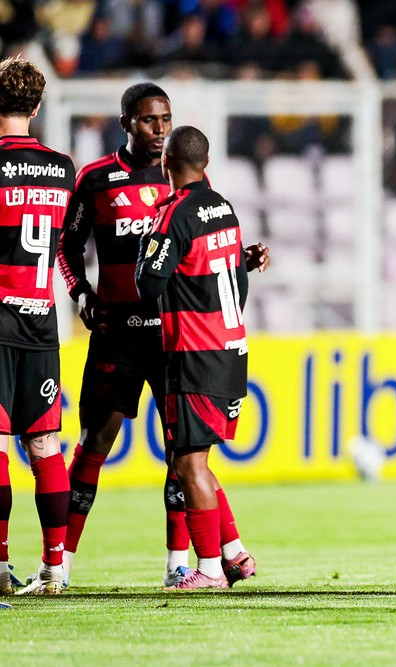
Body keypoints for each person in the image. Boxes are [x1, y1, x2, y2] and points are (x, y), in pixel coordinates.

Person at [55, 83, 267, 588]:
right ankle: (59, 563)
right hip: (118, 334)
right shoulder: (97, 178)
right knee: (93, 443)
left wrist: (240, 259)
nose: (159, 129)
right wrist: (81, 293)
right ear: (126, 122)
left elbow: (198, 252)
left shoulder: (188, 182)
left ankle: (179, 564)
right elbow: (68, 246)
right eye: (149, 120)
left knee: (182, 452)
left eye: (166, 120)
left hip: (172, 340)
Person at [135, 125, 252, 590]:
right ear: (206, 163)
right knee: (195, 457)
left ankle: (208, 570)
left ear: (166, 163)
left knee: (188, 464)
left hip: (194, 352)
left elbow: (149, 283)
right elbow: (240, 282)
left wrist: (147, 243)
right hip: (230, 346)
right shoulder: (223, 207)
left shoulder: (174, 214)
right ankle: (233, 553)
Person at [0, 56, 76, 596]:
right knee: (46, 445)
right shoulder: (62, 168)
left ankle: (0, 563)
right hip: (41, 321)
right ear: (38, 106)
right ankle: (53, 569)